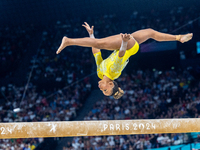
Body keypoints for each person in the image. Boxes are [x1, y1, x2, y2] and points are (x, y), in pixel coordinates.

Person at [56, 22, 193, 99]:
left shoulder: (99, 73)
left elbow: (96, 52)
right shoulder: (114, 73)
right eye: (105, 90)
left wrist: (91, 35)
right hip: (127, 47)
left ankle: (179, 37)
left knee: (151, 32)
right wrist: (124, 42)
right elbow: (121, 55)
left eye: (103, 91)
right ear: (110, 84)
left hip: (129, 45)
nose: (101, 89)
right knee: (101, 43)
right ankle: (69, 41)